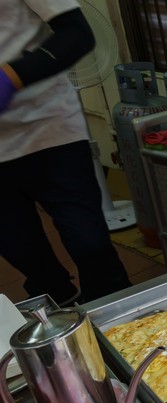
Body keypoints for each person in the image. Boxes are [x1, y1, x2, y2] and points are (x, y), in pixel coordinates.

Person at [0, 0, 131, 306]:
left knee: (89, 244)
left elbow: (77, 34)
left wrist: (12, 77)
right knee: (20, 249)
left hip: (49, 128)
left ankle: (120, 318)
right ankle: (59, 307)